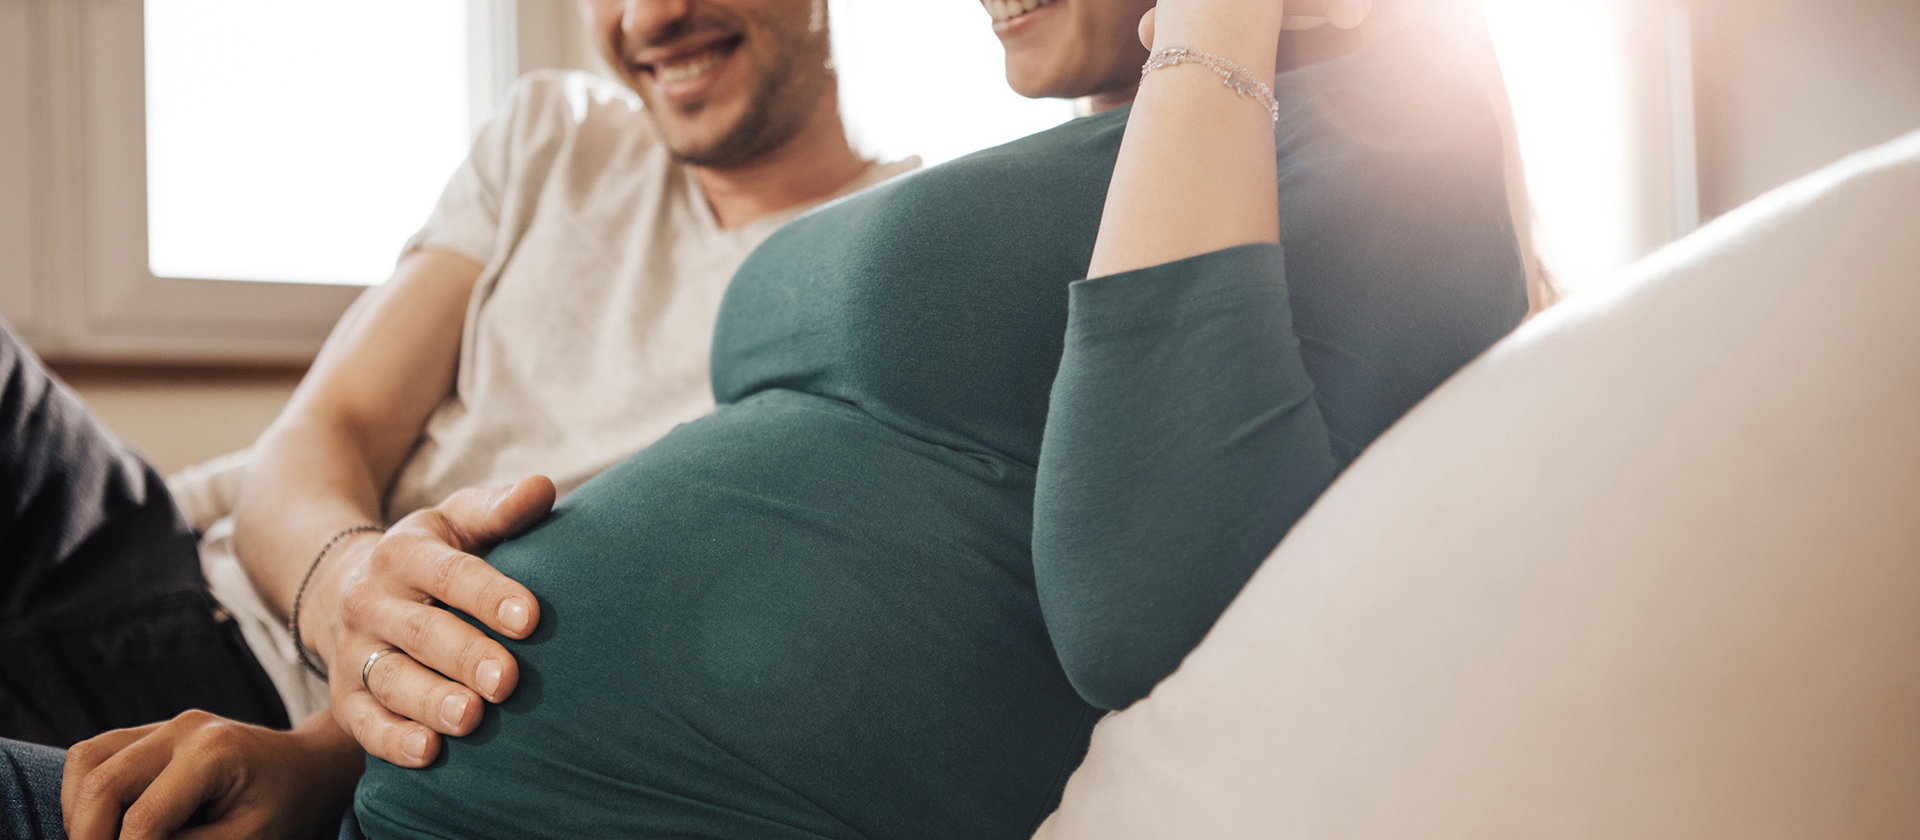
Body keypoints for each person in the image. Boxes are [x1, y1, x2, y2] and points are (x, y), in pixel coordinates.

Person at [5, 0, 1529, 837]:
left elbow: (1154, 602)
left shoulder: (1368, 134)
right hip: (334, 742)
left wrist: (1216, 24)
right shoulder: (1108, 152)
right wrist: (341, 733)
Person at [0, 0, 912, 755]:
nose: (652, 17)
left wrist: (346, 709)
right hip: (174, 553)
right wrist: (344, 586)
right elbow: (329, 429)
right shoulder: (551, 132)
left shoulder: (906, 264)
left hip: (263, 708)